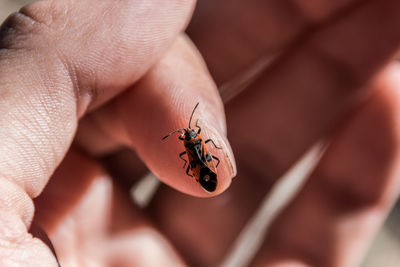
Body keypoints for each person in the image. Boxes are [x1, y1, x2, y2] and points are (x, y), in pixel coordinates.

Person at [1, 0, 400, 266]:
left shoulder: (194, 148)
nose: (195, 143)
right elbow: (196, 151)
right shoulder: (192, 146)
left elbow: (198, 153)